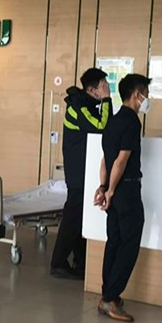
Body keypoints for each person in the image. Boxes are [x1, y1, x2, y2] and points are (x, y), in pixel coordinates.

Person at [93, 74, 151, 322]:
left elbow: (105, 159)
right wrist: (112, 190)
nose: (147, 99)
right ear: (136, 95)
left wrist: (103, 187)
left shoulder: (113, 121)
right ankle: (110, 298)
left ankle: (108, 295)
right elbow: (121, 160)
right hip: (126, 190)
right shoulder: (131, 122)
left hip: (115, 190)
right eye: (145, 93)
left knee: (114, 241)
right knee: (129, 244)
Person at [50, 68, 111, 279]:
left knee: (79, 218)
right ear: (92, 89)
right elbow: (101, 126)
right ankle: (58, 263)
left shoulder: (88, 103)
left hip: (84, 170)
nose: (107, 87)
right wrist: (107, 100)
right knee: (72, 218)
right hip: (78, 172)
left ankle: (81, 262)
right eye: (103, 84)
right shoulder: (79, 105)